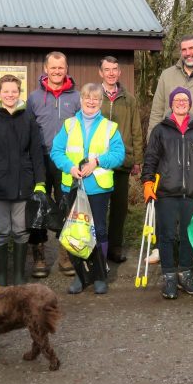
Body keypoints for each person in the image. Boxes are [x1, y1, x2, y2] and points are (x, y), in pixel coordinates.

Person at [50, 82, 126, 295]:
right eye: (87, 98)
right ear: (81, 100)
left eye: (96, 99)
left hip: (98, 189)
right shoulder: (69, 125)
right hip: (73, 186)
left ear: (101, 102)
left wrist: (97, 162)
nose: (91, 102)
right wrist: (70, 167)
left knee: (99, 231)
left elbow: (119, 155)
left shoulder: (110, 127)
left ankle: (100, 275)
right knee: (76, 232)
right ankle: (80, 276)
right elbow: (56, 151)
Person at [0, 75, 46, 286]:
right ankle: (1, 277)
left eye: (14, 91)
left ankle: (18, 277)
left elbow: (36, 153)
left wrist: (40, 182)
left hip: (24, 184)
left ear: (19, 92)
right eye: (6, 91)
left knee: (21, 231)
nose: (10, 95)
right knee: (0, 231)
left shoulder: (29, 120)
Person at [142, 87, 193, 299]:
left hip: (190, 193)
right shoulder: (160, 130)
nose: (181, 102)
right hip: (165, 192)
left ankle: (185, 274)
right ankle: (169, 277)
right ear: (171, 104)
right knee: (166, 236)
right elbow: (151, 158)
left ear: (190, 104)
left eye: (185, 100)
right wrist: (147, 181)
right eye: (177, 100)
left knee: (187, 236)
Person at [27, 51, 82, 278]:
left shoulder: (77, 97)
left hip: (66, 161)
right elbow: (28, 129)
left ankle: (65, 253)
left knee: (66, 205)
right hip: (39, 159)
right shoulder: (33, 98)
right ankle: (39, 254)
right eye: (53, 67)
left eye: (61, 68)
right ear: (46, 69)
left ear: (66, 69)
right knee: (37, 205)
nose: (57, 71)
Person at [98, 56, 144, 264]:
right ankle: (96, 247)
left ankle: (115, 247)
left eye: (114, 69)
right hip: (96, 162)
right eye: (107, 69)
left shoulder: (129, 99)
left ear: (119, 72)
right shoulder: (93, 96)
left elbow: (136, 130)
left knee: (119, 208)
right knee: (97, 207)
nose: (111, 73)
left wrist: (137, 159)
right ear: (101, 73)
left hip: (121, 162)